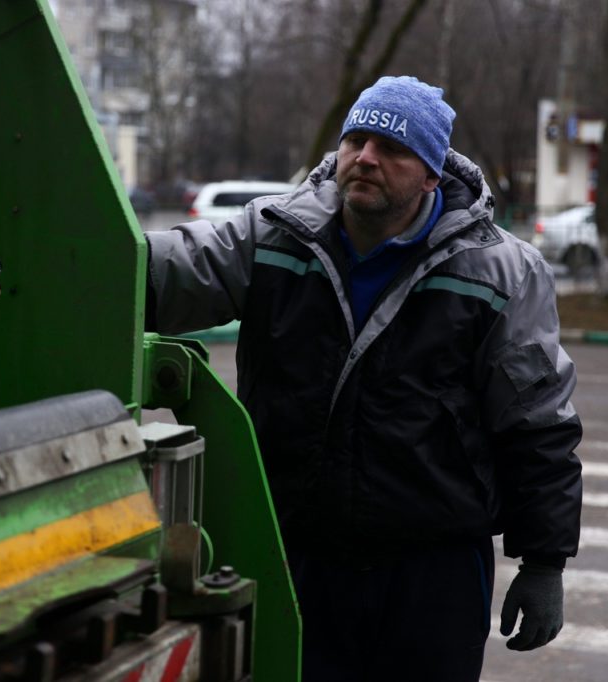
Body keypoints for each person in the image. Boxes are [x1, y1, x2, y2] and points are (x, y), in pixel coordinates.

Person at [145, 76, 582, 681]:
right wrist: (90, 255)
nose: (367, 158)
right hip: (295, 553)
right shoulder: (274, 236)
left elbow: (536, 422)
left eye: (394, 149)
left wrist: (545, 560)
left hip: (432, 572)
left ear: (432, 174)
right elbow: (163, 274)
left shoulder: (500, 272)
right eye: (357, 140)